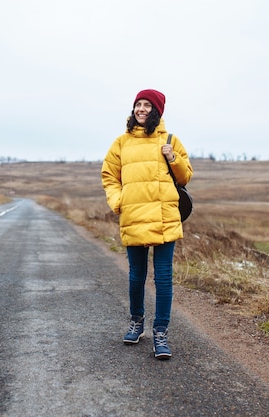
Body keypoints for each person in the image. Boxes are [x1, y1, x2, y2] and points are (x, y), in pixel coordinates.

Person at [101, 89, 193, 360]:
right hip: (133, 215)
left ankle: (161, 332)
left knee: (163, 278)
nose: (141, 109)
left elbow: (185, 177)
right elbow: (109, 176)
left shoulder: (170, 140)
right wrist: (119, 202)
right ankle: (136, 322)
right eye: (138, 105)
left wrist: (173, 159)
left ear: (157, 111)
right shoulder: (121, 142)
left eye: (147, 105)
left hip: (164, 216)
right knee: (136, 275)